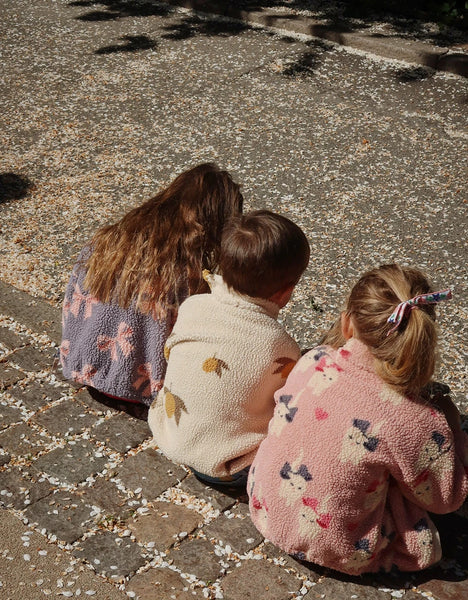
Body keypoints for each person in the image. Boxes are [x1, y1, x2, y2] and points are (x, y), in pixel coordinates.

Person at [248, 264, 468, 575]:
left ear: (348, 324)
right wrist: (452, 425)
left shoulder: (314, 360)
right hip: (342, 548)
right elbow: (447, 498)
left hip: (266, 509)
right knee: (408, 484)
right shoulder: (416, 419)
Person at [148, 209, 310, 487]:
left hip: (171, 437)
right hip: (229, 467)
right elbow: (285, 403)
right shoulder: (279, 345)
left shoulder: (193, 306)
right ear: (286, 291)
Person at [60, 163, 243, 409]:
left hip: (85, 369)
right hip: (142, 389)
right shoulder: (186, 277)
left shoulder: (106, 242)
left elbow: (72, 306)